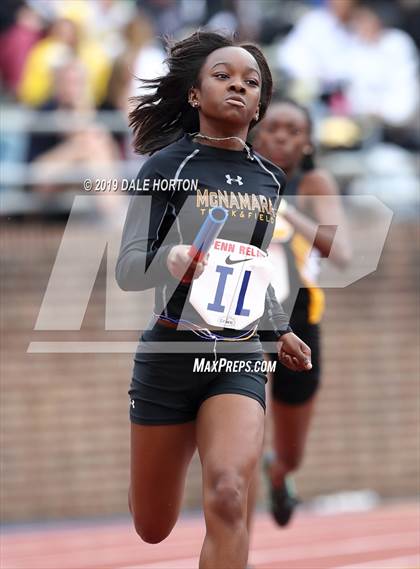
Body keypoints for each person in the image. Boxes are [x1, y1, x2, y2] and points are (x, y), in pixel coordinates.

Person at [116, 31, 312, 569]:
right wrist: (172, 259)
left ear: (259, 105)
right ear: (194, 95)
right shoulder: (164, 168)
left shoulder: (270, 179)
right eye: (222, 76)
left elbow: (252, 270)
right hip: (169, 357)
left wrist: (278, 329)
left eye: (250, 82)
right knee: (152, 527)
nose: (238, 87)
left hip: (236, 357)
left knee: (229, 495)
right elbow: (128, 269)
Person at [254, 100, 351, 526]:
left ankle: (279, 473)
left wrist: (286, 211)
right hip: (245, 317)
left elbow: (342, 251)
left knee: (292, 452)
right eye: (272, 127)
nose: (281, 136)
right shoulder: (237, 177)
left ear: (308, 141)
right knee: (237, 444)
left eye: (293, 130)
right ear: (256, 133)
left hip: (299, 321)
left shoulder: (313, 183)